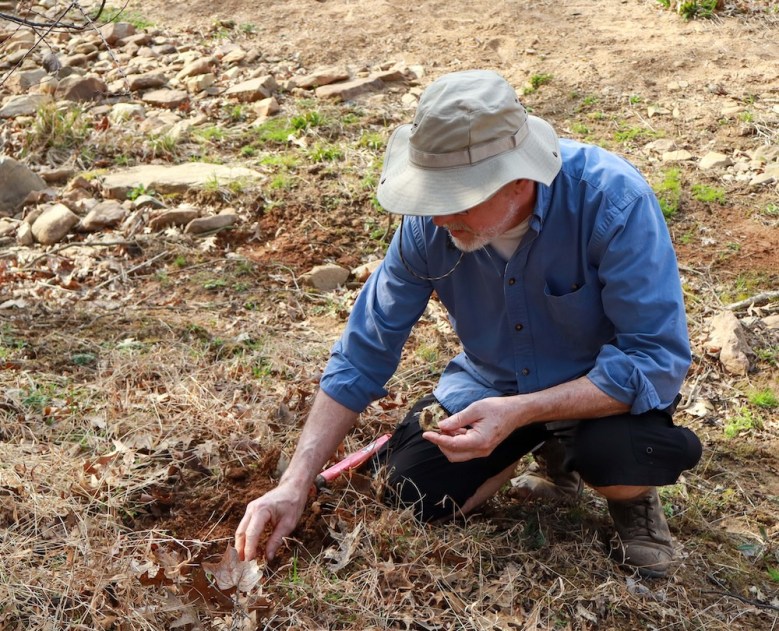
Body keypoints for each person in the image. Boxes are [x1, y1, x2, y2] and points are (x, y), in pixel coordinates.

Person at [235, 69, 702, 578]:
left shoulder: (612, 201)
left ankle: (630, 502)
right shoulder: (429, 226)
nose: (436, 219)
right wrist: (296, 481)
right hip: (492, 383)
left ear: (519, 180)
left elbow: (654, 359)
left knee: (616, 455)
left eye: (454, 197)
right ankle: (538, 445)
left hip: (598, 395)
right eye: (430, 196)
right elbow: (363, 352)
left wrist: (521, 412)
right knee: (410, 493)